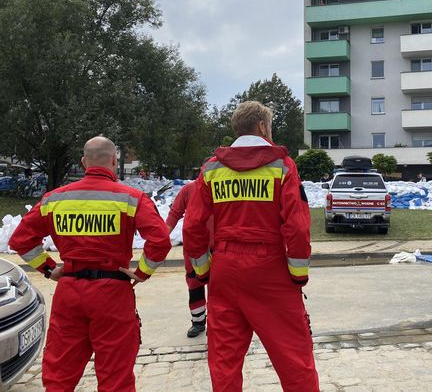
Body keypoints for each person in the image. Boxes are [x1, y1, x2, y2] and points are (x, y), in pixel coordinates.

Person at [9, 136, 172, 391]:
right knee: (115, 377)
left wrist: (50, 269)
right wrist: (142, 272)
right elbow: (160, 241)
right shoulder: (131, 198)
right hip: (113, 294)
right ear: (114, 160)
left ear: (84, 162)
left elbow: (21, 241)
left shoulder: (54, 199)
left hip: (69, 292)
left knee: (59, 375)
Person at [184, 101, 319, 391]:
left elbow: (193, 226)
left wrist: (204, 272)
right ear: (261, 126)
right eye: (269, 126)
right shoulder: (282, 165)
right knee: (294, 357)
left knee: (224, 360)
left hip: (225, 270)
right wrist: (298, 274)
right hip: (270, 271)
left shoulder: (211, 169)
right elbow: (296, 226)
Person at [165, 177, 213, 338]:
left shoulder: (223, 187)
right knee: (194, 283)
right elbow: (174, 214)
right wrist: (162, 238)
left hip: (219, 247)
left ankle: (215, 323)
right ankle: (198, 322)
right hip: (194, 247)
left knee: (218, 286)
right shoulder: (188, 189)